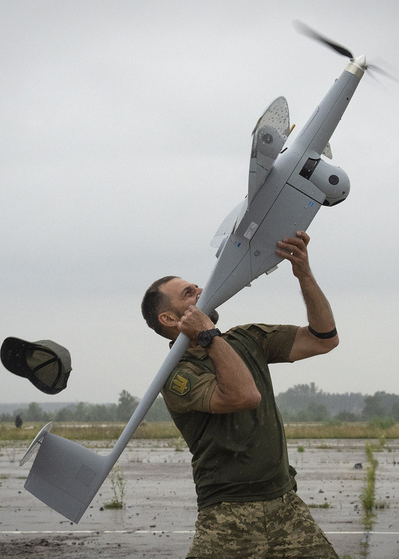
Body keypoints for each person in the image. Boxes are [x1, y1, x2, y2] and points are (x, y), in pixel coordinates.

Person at [141, 231, 340, 559]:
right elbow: (244, 396)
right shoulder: (176, 374)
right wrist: (208, 335)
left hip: (286, 504)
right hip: (227, 514)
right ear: (170, 319)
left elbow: (324, 339)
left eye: (197, 286)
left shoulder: (247, 339)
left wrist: (303, 273)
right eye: (189, 294)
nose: (202, 291)